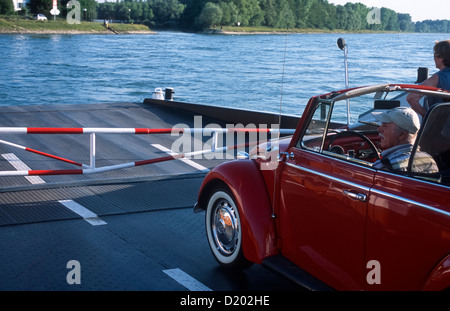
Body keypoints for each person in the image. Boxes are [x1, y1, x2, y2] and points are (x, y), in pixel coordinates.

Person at [371, 107, 438, 173]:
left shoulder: (383, 167)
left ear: (401, 134)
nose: (379, 129)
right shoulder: (429, 161)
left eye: (385, 125)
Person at [407, 40, 450, 117]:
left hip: (440, 126)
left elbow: (411, 98)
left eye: (435, 55)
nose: (434, 58)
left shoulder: (437, 78)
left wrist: (428, 116)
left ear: (440, 58)